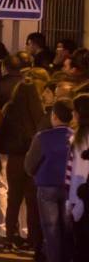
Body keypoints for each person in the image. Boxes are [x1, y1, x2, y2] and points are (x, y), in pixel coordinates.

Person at [0, 79, 43, 252]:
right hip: (34, 159)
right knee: (32, 202)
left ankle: (9, 239)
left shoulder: (10, 109)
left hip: (15, 159)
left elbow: (1, 133)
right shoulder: (38, 112)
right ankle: (33, 239)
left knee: (13, 199)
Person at [25, 98, 74, 262]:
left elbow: (29, 164)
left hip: (46, 186)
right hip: (70, 188)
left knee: (51, 230)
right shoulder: (76, 137)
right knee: (68, 229)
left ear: (53, 116)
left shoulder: (42, 137)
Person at [67, 94, 89, 259]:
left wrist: (75, 200)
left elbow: (78, 171)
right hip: (81, 195)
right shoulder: (77, 136)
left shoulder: (80, 138)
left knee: (80, 244)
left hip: (82, 195)